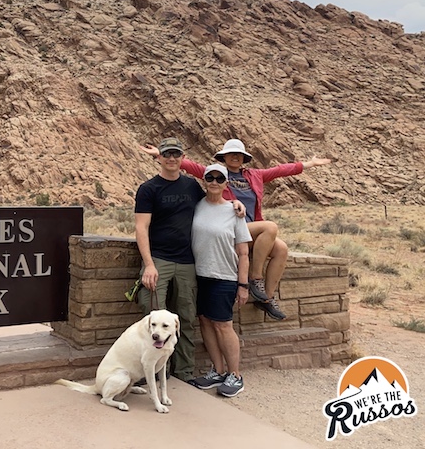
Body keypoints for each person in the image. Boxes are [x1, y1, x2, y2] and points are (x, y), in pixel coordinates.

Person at [141, 138, 331, 320]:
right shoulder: (216, 174)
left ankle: (266, 298)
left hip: (250, 228)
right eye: (231, 154)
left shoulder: (255, 175)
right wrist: (159, 153)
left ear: (244, 158)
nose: (235, 157)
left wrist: (309, 164)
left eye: (239, 154)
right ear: (223, 157)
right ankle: (255, 278)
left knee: (281, 249)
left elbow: (281, 170)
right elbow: (186, 164)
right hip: (231, 228)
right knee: (271, 227)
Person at [134, 137, 245, 383]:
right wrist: (149, 264)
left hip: (187, 262)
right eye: (167, 154)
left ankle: (183, 371)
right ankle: (150, 371)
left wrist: (235, 202)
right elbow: (141, 228)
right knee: (152, 316)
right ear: (159, 158)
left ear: (182, 158)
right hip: (159, 260)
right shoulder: (149, 189)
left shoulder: (192, 187)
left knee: (185, 317)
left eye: (176, 154)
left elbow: (214, 197)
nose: (172, 158)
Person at [187, 163, 252, 397]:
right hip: (199, 274)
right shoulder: (196, 207)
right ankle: (218, 371)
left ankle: (235, 375)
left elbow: (243, 252)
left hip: (224, 276)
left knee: (223, 325)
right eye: (210, 177)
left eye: (219, 178)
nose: (214, 182)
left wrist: (243, 285)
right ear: (204, 180)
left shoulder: (234, 212)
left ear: (226, 183)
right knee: (205, 322)